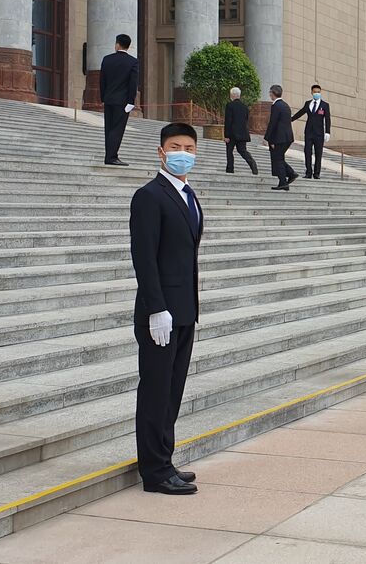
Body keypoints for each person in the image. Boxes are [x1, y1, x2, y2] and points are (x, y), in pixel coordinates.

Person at [129, 122, 203, 495]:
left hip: (185, 310)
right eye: (176, 146)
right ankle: (154, 471)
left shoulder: (189, 194)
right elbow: (144, 258)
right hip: (161, 314)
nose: (183, 153)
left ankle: (166, 459)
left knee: (172, 390)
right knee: (156, 391)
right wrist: (157, 309)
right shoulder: (149, 196)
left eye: (189, 147)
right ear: (161, 151)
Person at [98, 33, 139, 166]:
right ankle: (111, 157)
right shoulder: (132, 62)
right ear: (128, 46)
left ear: (117, 45)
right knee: (117, 129)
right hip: (122, 102)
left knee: (109, 129)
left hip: (109, 99)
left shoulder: (106, 59)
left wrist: (103, 97)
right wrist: (131, 101)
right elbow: (133, 83)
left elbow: (102, 80)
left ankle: (109, 156)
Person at [290, 83, 331, 179]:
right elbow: (301, 112)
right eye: (315, 92)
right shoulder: (308, 103)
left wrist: (327, 132)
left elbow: (327, 119)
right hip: (309, 132)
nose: (317, 93)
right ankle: (308, 172)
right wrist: (291, 119)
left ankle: (316, 173)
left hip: (319, 134)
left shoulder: (325, 105)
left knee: (318, 154)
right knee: (307, 152)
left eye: (318, 92)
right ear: (311, 92)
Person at [265, 84, 298, 190]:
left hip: (280, 138)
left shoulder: (276, 106)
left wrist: (268, 138)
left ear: (273, 93)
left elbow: (273, 123)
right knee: (279, 158)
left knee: (277, 159)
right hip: (287, 137)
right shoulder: (285, 105)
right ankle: (287, 178)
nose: (269, 94)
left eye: (270, 92)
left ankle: (285, 180)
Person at [222, 86, 257, 175]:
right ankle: (253, 164)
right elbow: (245, 120)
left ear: (232, 95)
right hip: (242, 133)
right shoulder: (245, 107)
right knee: (242, 150)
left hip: (232, 133)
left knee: (229, 151)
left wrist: (226, 135)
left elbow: (228, 121)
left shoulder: (230, 105)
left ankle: (230, 169)